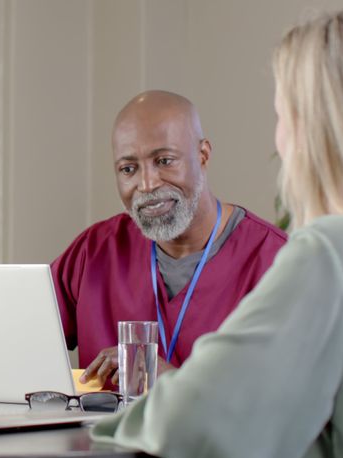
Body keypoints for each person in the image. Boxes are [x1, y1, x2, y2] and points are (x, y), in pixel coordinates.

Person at [91, 9, 343, 458]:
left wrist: (110, 426)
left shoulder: (332, 252)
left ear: (305, 128)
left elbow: (196, 420)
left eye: (281, 115)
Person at [52, 91, 287, 388]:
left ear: (202, 155)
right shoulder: (95, 251)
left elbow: (292, 405)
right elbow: (18, 337)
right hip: (96, 436)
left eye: (164, 161)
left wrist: (174, 383)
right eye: (128, 169)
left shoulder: (275, 261)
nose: (147, 185)